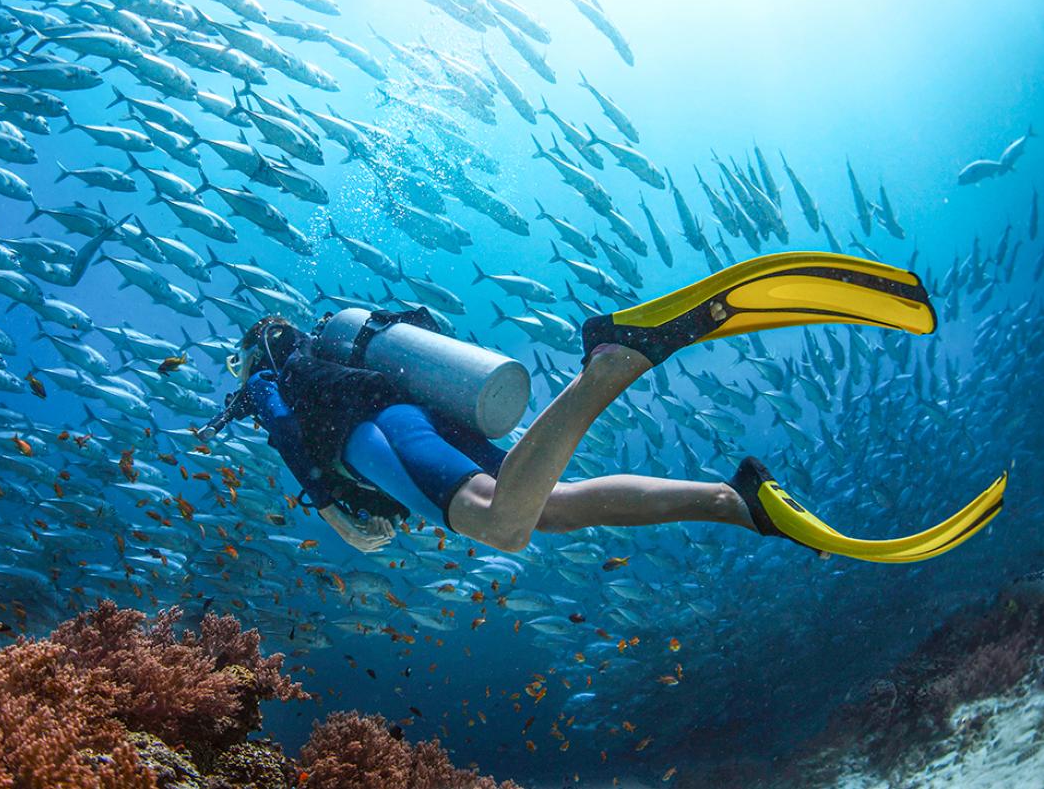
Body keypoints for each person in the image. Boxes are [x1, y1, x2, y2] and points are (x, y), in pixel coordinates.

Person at [207, 252, 1005, 561]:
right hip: (422, 414)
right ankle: (736, 501)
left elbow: (299, 451)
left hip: (375, 434)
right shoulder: (336, 346)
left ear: (257, 350)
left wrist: (340, 508)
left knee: (500, 524)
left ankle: (611, 363)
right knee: (551, 506)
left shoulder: (275, 378)